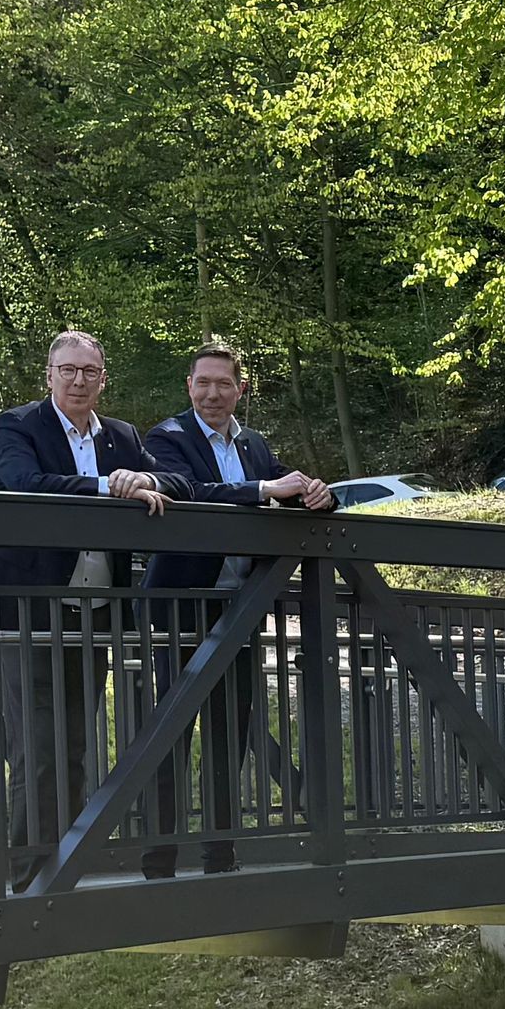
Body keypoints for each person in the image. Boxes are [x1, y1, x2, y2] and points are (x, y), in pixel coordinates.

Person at [139, 341, 333, 872]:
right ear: (189, 386)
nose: (212, 393)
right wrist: (268, 488)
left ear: (241, 390)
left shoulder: (252, 443)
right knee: (170, 732)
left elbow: (289, 487)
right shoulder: (167, 436)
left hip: (239, 607)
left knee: (231, 732)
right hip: (180, 606)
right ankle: (159, 856)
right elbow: (191, 492)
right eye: (203, 382)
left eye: (224, 384)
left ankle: (219, 853)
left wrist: (318, 494)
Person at [0, 329, 165, 877]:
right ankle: (25, 871)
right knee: (36, 748)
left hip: (95, 611)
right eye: (68, 370)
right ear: (49, 374)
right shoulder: (20, 424)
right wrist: (107, 488)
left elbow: (164, 481)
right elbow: (20, 482)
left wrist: (146, 479)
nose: (78, 381)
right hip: (31, 609)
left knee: (74, 745)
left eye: (89, 372)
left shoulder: (121, 436)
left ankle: (62, 861)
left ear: (102, 378)